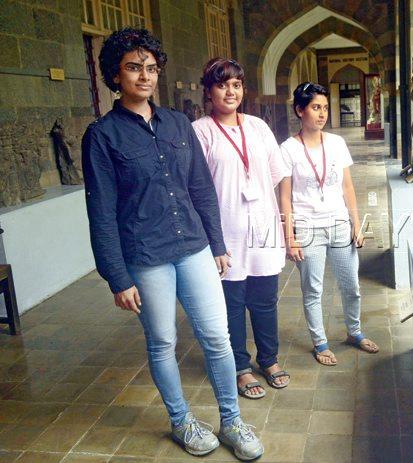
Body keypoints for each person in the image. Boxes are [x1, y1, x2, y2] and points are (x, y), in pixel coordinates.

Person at [81, 28, 262, 460]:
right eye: (133, 67)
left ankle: (232, 420)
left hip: (194, 247)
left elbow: (201, 188)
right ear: (114, 74)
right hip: (145, 257)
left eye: (150, 68)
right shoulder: (103, 136)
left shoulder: (178, 124)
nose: (144, 76)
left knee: (218, 337)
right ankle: (181, 421)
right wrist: (116, 276)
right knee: (162, 342)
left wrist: (217, 243)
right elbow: (101, 212)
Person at [192, 58, 290, 400]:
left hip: (262, 229)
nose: (230, 91)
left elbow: (280, 176)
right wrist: (209, 240)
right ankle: (239, 367)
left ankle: (269, 359)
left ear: (243, 89)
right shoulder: (200, 130)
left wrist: (285, 224)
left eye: (236, 85)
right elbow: (195, 187)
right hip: (225, 233)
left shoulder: (259, 127)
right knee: (231, 304)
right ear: (209, 91)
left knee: (265, 300)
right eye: (222, 85)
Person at [278, 82, 379, 366]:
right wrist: (290, 237)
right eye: (315, 108)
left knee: (352, 286)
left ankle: (355, 332)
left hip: (338, 224)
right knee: (313, 290)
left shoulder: (336, 143)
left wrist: (357, 223)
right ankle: (320, 342)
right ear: (300, 110)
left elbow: (348, 187)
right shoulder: (288, 149)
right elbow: (284, 198)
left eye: (324, 107)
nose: (321, 114)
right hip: (308, 229)